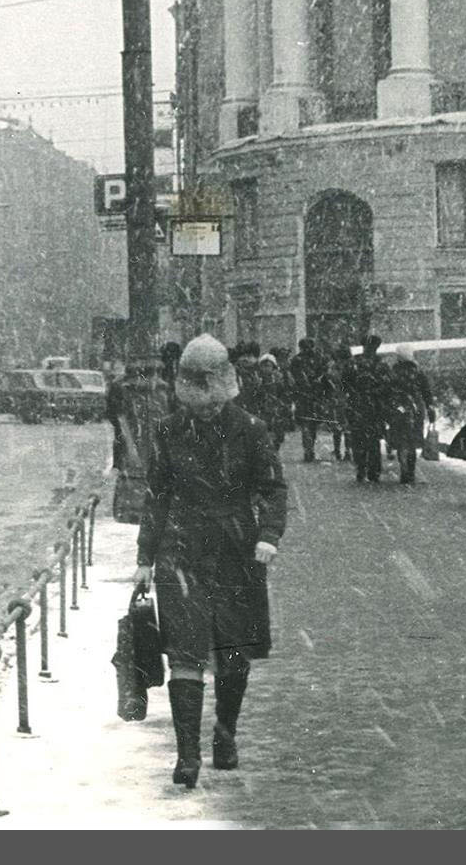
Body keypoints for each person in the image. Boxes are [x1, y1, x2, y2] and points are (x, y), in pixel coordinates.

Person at [134, 335, 288, 789]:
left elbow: (274, 488)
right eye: (195, 403)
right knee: (184, 650)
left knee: (233, 652)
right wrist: (145, 556)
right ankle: (187, 754)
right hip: (180, 551)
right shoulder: (168, 430)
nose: (204, 411)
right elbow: (157, 496)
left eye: (211, 402)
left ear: (226, 388)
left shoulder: (251, 429)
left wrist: (269, 535)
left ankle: (226, 732)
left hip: (237, 552)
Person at [384, 347, 435, 485]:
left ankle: (404, 468)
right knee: (412, 442)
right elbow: (427, 392)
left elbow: (386, 391)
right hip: (416, 409)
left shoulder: (393, 372)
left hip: (399, 409)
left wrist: (388, 408)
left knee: (401, 441)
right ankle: (410, 471)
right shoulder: (418, 372)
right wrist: (430, 406)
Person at [344, 335, 389, 484]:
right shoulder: (381, 364)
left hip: (363, 406)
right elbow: (387, 385)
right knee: (370, 440)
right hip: (371, 406)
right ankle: (371, 470)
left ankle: (363, 468)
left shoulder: (354, 363)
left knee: (361, 439)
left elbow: (345, 384)